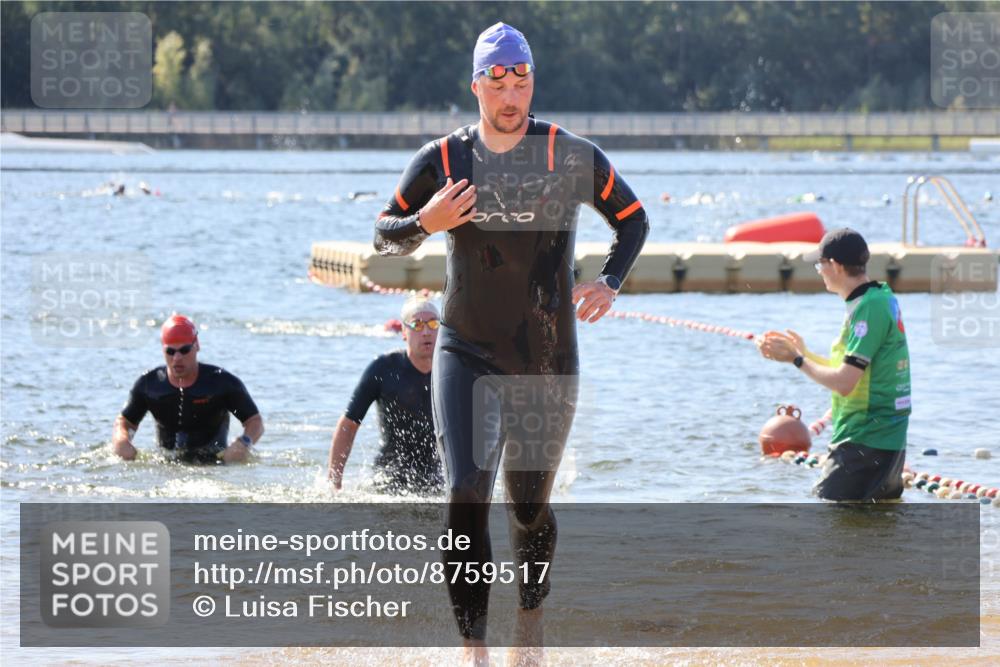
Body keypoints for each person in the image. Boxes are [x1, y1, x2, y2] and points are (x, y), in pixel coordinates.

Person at [373, 22, 649, 664]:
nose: (512, 96)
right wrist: (424, 222)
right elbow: (385, 234)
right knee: (466, 491)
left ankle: (531, 622)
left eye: (522, 80)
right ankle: (476, 651)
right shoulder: (442, 160)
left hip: (546, 355)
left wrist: (610, 280)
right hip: (465, 348)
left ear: (532, 84)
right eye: (498, 83)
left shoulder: (570, 154)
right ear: (477, 87)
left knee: (528, 507)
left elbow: (632, 221)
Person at [757, 228, 911, 501]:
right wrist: (804, 353)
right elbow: (855, 372)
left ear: (836, 266)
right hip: (882, 441)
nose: (819, 271)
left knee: (824, 524)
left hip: (865, 441)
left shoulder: (868, 309)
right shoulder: (877, 298)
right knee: (869, 532)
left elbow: (844, 383)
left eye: (820, 264)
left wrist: (796, 359)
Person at [327, 297, 444, 494]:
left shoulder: (452, 372)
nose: (426, 332)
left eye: (433, 324)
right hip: (388, 481)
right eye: (416, 324)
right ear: (404, 332)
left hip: (436, 482)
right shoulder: (383, 369)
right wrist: (334, 482)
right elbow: (349, 424)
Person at [111, 315, 264, 463]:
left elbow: (255, 422)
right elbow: (125, 422)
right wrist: (121, 440)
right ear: (163, 350)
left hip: (215, 465)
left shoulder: (221, 382)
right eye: (170, 351)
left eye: (184, 350)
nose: (177, 357)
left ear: (196, 346)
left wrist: (244, 443)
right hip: (167, 465)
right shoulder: (149, 385)